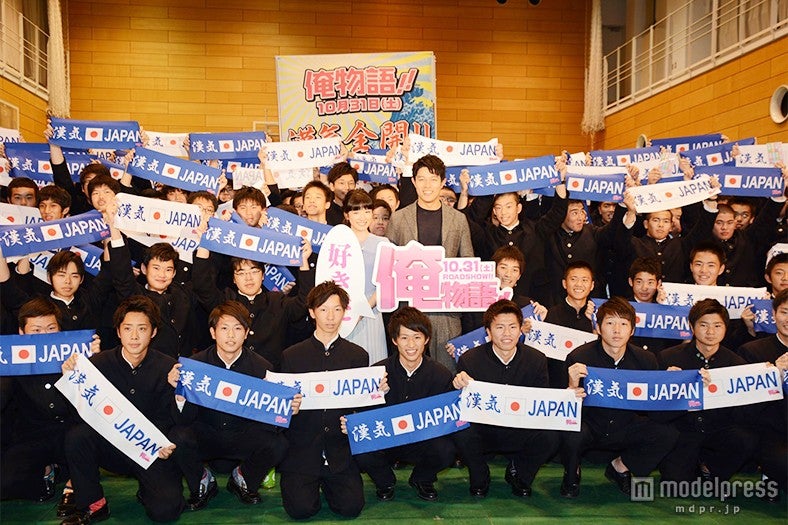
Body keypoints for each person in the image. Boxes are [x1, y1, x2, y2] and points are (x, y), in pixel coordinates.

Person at [60, 296, 185, 524]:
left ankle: (148, 491)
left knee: (166, 512)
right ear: (118, 331)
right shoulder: (98, 364)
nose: (134, 336)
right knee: (77, 436)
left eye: (142, 329)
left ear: (154, 332)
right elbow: (77, 412)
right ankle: (94, 504)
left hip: (150, 452)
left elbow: (172, 417)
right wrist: (70, 378)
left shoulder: (168, 366)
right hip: (110, 447)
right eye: (128, 328)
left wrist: (163, 443)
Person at [169, 301, 295, 510]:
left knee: (278, 444)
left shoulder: (262, 368)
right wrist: (180, 394)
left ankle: (243, 478)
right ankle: (202, 482)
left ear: (246, 333)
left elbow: (272, 425)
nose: (230, 335)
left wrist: (282, 407)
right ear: (213, 332)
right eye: (224, 328)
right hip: (207, 433)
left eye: (237, 328)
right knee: (177, 436)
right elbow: (182, 419)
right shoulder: (195, 365)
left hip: (243, 434)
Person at [561, 297, 678, 498]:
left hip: (626, 425)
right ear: (598, 328)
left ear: (632, 330)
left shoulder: (646, 360)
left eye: (623, 324)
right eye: (610, 323)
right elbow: (562, 411)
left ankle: (620, 467)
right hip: (590, 424)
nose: (617, 330)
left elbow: (656, 410)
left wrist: (671, 386)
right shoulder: (579, 357)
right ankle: (572, 472)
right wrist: (571, 388)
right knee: (571, 429)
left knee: (667, 433)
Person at [278, 281, 371, 519]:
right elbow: (280, 409)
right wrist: (288, 409)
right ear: (312, 312)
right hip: (302, 449)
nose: (330, 317)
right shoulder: (291, 356)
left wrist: (374, 394)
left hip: (339, 449)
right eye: (323, 309)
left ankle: (331, 484)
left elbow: (361, 405)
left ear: (344, 312)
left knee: (350, 508)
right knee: (300, 510)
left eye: (337, 309)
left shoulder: (358, 356)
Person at [452, 300, 560, 499]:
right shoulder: (470, 359)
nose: (507, 333)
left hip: (521, 428)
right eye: (499, 327)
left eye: (512, 327)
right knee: (459, 428)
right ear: (488, 332)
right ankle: (480, 474)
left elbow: (542, 401)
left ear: (520, 330)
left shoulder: (536, 359)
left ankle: (520, 473)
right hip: (485, 429)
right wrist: (458, 385)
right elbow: (461, 405)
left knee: (552, 434)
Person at [0, 298, 99, 509]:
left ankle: (72, 479)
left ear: (60, 329)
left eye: (51, 328)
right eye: (36, 330)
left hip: (71, 434)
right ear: (21, 332)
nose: (45, 336)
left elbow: (94, 400)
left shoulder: (75, 355)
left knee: (81, 444)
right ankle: (48, 472)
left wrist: (93, 363)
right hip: (32, 436)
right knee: (6, 482)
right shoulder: (11, 360)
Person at [351, 306, 456, 502]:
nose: (411, 344)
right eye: (404, 338)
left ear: (426, 339)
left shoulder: (440, 374)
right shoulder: (377, 372)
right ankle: (385, 481)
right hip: (387, 441)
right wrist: (374, 397)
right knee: (361, 445)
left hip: (421, 441)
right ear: (394, 340)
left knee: (446, 449)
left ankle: (422, 479)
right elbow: (363, 418)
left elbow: (448, 418)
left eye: (417, 337)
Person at [387, 154, 474, 372]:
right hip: (409, 309)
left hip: (446, 311)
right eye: (422, 179)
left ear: (443, 182)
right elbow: (388, 265)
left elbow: (468, 263)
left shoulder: (458, 219)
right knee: (408, 371)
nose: (427, 185)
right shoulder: (398, 218)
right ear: (413, 181)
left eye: (433, 179)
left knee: (446, 372)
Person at [658, 299, 758, 482]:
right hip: (684, 429)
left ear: (725, 328)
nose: (710, 332)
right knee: (675, 483)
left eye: (717, 326)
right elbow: (658, 410)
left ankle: (710, 467)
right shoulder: (669, 358)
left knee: (745, 439)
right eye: (703, 325)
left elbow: (742, 412)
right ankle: (692, 464)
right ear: (692, 326)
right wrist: (672, 383)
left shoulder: (736, 363)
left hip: (718, 429)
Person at [736, 289, 788, 501]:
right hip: (771, 433)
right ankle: (770, 475)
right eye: (785, 312)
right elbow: (745, 406)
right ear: (773, 314)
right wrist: (774, 376)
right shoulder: (752, 351)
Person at [342, 190, 389, 364]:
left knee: (374, 362)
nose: (362, 217)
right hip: (343, 312)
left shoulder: (383, 243)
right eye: (356, 212)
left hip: (371, 312)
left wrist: (363, 309)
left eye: (367, 211)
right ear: (347, 215)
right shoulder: (338, 242)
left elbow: (384, 282)